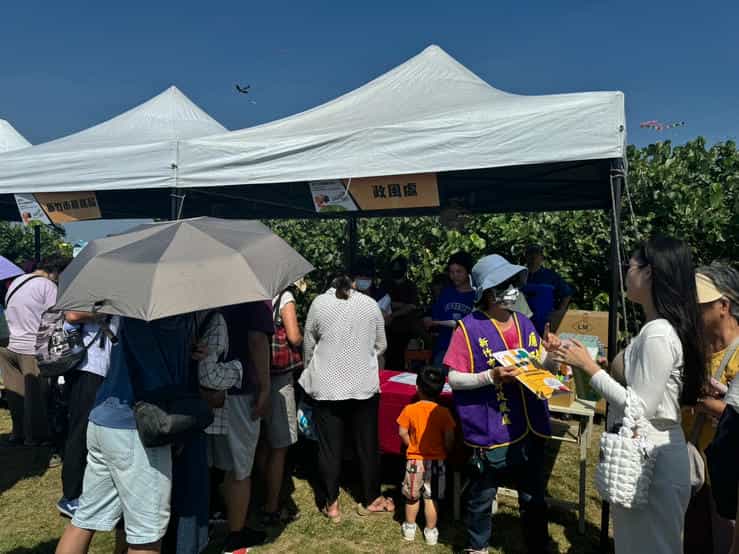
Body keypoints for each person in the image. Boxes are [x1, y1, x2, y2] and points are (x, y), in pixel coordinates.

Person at [552, 236, 707, 554]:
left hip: (653, 460)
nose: (625, 273)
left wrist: (590, 369)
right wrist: (593, 367)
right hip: (648, 456)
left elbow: (640, 407)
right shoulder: (655, 328)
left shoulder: (658, 333)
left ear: (648, 273)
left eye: (630, 265)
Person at [445, 254, 557, 553]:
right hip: (492, 423)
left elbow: (540, 365)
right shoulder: (468, 328)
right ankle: (477, 545)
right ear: (488, 292)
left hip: (529, 420)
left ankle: (538, 545)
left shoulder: (524, 322)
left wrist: (551, 355)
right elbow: (454, 378)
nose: (513, 290)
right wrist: (490, 376)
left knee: (533, 493)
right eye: (505, 285)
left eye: (513, 283)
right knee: (483, 493)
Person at [55, 315, 193, 554]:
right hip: (134, 428)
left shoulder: (130, 315)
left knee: (85, 518)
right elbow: (164, 380)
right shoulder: (170, 321)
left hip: (103, 417)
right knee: (147, 535)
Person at [299, 274, 392, 521]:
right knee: (367, 445)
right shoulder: (370, 305)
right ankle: (372, 498)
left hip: (327, 386)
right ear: (353, 285)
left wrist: (309, 369)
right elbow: (381, 345)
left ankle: (332, 504)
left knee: (329, 448)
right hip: (363, 384)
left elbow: (308, 346)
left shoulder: (319, 303)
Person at [683, 263, 739, 554]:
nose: (691, 311)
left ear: (723, 306)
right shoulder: (693, 346)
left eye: (699, 305)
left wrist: (704, 403)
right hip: (692, 469)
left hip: (725, 474)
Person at [217, 301, 273, 554]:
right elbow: (257, 339)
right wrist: (265, 387)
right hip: (241, 390)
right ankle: (237, 533)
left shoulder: (212, 292)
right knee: (241, 467)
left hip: (212, 387)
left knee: (226, 463)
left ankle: (227, 517)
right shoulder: (254, 297)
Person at [0, 254, 69, 446]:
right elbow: (57, 316)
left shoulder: (17, 281)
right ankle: (36, 436)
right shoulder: (47, 286)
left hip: (8, 345)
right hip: (31, 347)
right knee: (36, 395)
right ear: (56, 271)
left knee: (15, 393)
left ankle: (18, 433)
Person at [57, 312, 120, 519]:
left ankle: (92, 490)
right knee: (80, 431)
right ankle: (71, 495)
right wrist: (110, 308)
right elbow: (72, 315)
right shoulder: (96, 295)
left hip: (107, 367)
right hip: (89, 367)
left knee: (98, 431)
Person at [255, 287, 303, 527]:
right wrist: (302, 338)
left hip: (253, 373)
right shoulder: (284, 297)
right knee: (279, 444)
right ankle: (272, 505)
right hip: (277, 378)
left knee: (262, 442)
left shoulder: (252, 293)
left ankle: (259, 494)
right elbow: (293, 336)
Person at [397, 366, 455, 546]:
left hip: (415, 460)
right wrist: (446, 450)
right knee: (431, 498)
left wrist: (410, 444)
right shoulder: (444, 413)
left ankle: (410, 527)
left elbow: (402, 432)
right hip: (437, 461)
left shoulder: (409, 409)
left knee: (412, 497)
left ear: (417, 387)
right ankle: (431, 531)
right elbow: (450, 437)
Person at [425, 252, 476, 366]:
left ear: (468, 272)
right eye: (451, 272)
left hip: (467, 350)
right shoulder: (446, 293)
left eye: (459, 271)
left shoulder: (476, 296)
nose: (454, 276)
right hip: (444, 349)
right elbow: (435, 316)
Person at [382, 257, 421, 370]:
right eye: (394, 268)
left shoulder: (410, 286)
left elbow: (412, 306)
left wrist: (393, 313)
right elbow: (381, 303)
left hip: (405, 330)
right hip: (387, 329)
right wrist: (402, 305)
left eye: (399, 268)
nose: (396, 271)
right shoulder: (386, 284)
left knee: (402, 360)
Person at [525, 244, 575, 330]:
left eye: (537, 254)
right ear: (526, 256)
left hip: (544, 324)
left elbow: (567, 293)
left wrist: (559, 312)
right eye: (530, 253)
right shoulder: (519, 275)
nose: (533, 256)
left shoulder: (550, 276)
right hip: (523, 324)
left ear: (542, 257)